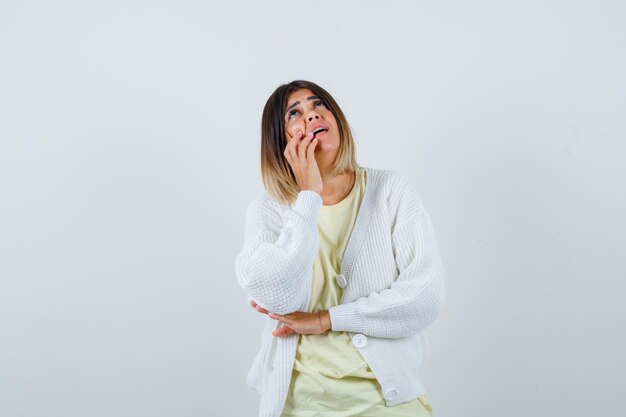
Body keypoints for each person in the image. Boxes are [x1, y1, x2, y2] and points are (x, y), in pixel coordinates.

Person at [234, 80, 445, 417]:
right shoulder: (270, 210)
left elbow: (424, 299)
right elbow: (276, 296)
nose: (312, 115)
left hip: (386, 404)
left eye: (319, 105)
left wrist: (327, 319)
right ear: (281, 140)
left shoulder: (391, 191)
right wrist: (309, 197)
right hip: (299, 405)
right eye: (295, 113)